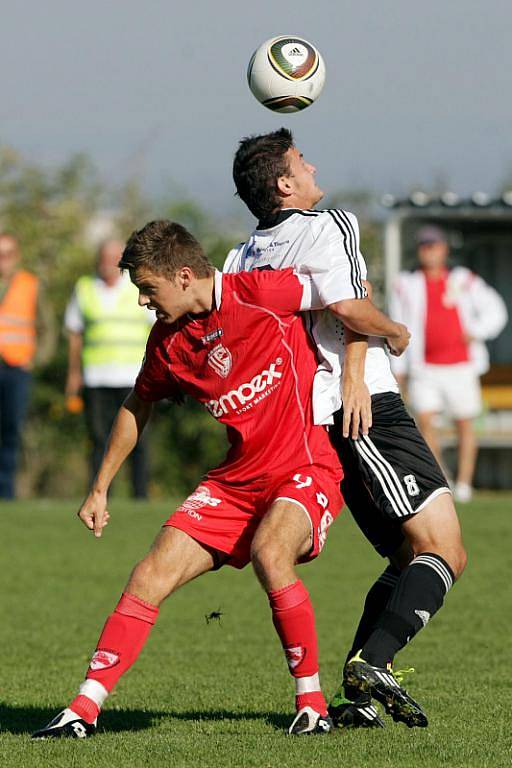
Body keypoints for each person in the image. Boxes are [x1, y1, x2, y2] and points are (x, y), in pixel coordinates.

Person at [32, 217, 400, 739]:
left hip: (306, 467)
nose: (142, 301)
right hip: (236, 481)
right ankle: (82, 710)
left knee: (271, 554)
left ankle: (312, 704)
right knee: (148, 574)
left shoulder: (263, 292)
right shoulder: (167, 343)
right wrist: (100, 487)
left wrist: (392, 334)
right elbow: (138, 406)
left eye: (147, 289)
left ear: (184, 276)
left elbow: (344, 293)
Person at [226, 128, 467, 729]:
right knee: (444, 550)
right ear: (285, 184)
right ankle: (374, 664)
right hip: (362, 410)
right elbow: (348, 308)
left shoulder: (241, 258)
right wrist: (392, 334)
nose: (312, 166)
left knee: (410, 554)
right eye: (301, 161)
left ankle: (359, 697)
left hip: (307, 423)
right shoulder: (329, 223)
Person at [390, 225, 508, 502]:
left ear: (443, 249)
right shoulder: (405, 283)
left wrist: (476, 331)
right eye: (424, 246)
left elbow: (495, 310)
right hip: (424, 367)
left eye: (433, 245)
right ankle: (442, 478)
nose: (428, 251)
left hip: (461, 366)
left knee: (465, 423)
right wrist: (399, 369)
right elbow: (398, 325)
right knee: (425, 422)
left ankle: (465, 485)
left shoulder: (463, 279)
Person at [64, 239, 154, 498]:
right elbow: (75, 332)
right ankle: (101, 493)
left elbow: (155, 328)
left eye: (114, 259)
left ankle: (140, 496)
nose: (108, 264)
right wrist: (74, 373)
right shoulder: (84, 288)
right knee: (99, 440)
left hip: (134, 377)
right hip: (96, 377)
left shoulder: (137, 287)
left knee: (138, 439)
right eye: (104, 258)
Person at [0, 233, 55, 499]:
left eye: (8, 254)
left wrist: (34, 361)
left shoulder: (30, 285)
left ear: (16, 256)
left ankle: (6, 494)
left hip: (15, 370)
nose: (3, 260)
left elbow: (47, 330)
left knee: (11, 433)